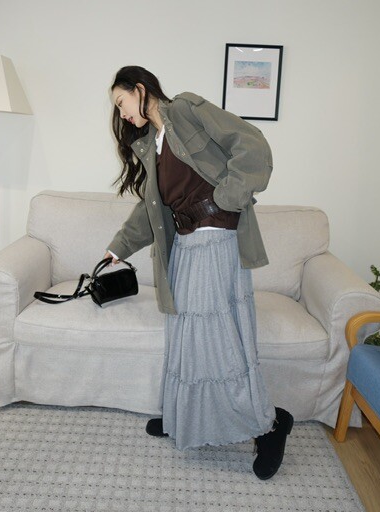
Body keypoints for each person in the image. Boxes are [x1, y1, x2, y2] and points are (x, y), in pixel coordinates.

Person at [105, 65, 293, 480]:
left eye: (121, 102)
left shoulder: (186, 109)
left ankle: (270, 424)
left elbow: (252, 144)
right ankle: (182, 416)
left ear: (140, 89)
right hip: (187, 246)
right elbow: (150, 209)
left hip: (216, 237)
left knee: (217, 339)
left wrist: (227, 196)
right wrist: (118, 248)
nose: (122, 114)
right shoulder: (152, 146)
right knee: (187, 336)